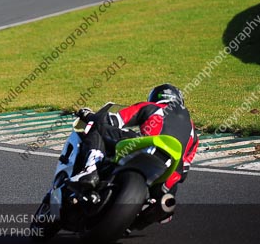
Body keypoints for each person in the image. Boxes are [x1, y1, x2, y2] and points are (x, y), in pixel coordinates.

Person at [71, 83, 199, 198]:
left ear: (156, 97)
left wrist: (88, 115)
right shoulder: (193, 131)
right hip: (169, 177)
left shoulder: (152, 107)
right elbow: (184, 173)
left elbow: (111, 120)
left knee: (97, 127)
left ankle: (90, 170)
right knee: (166, 198)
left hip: (147, 147)